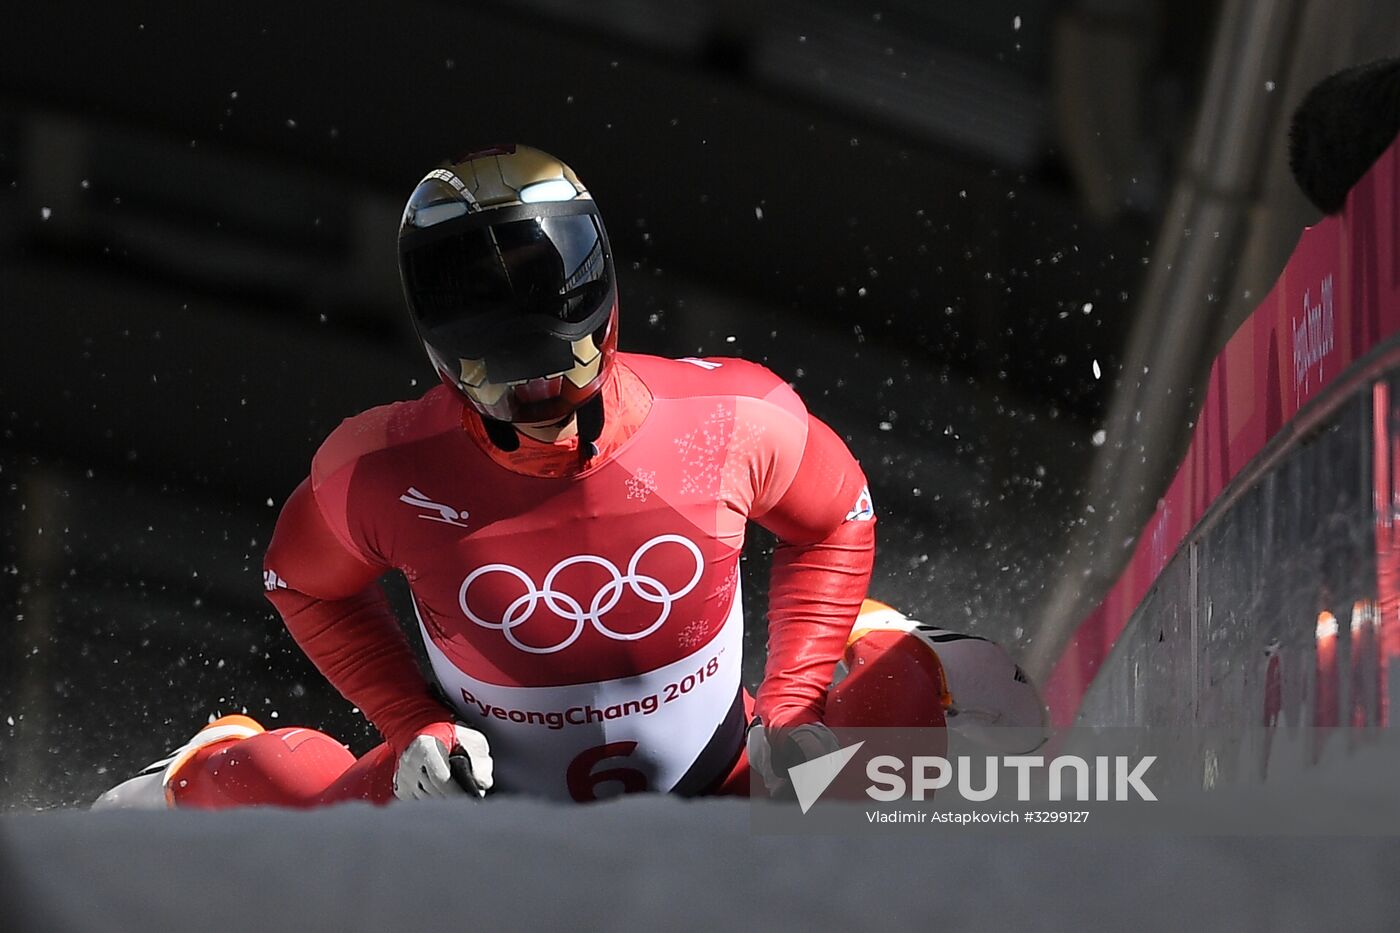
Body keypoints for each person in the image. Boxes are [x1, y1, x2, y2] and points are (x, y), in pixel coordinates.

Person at [94, 145, 1044, 809]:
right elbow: (298, 579)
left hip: (727, 778)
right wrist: (416, 723)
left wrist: (792, 709)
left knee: (906, 717)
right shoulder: (377, 469)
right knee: (277, 804)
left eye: (559, 365)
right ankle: (212, 756)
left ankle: (878, 642)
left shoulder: (731, 419)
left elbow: (835, 519)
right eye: (504, 379)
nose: (540, 396)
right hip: (478, 804)